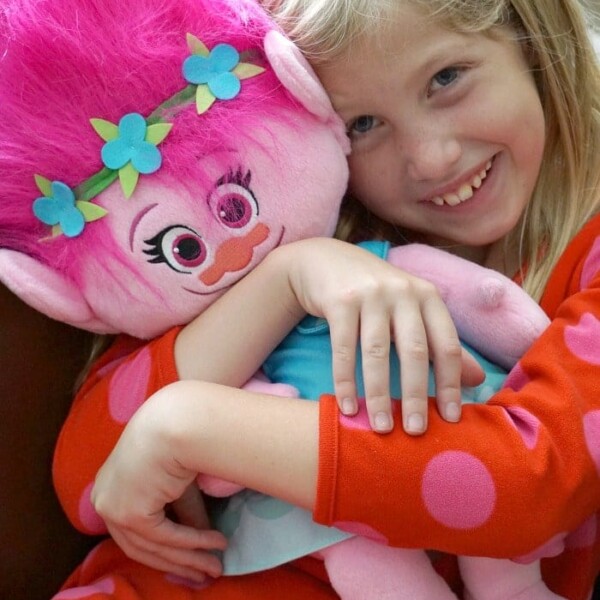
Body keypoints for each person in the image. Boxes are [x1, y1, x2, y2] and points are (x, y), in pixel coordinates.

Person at [22, 0, 600, 598]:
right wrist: (287, 278)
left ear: (532, 40)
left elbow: (532, 487)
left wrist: (192, 426)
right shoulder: (270, 235)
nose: (432, 157)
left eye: (446, 78)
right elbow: (89, 483)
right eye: (363, 125)